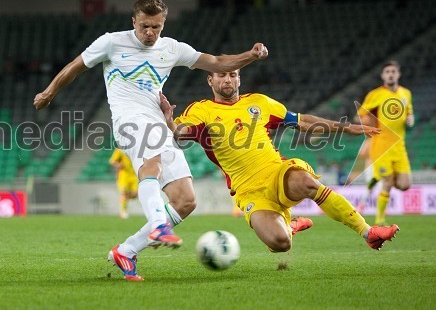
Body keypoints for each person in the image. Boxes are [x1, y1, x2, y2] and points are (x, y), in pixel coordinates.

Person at [33, 0, 268, 281]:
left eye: (156, 27)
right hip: (128, 120)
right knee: (152, 162)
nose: (150, 33)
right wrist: (49, 92)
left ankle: (127, 250)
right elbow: (76, 66)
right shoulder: (111, 42)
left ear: (163, 24)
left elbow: (217, 62)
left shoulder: (172, 49)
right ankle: (158, 223)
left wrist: (250, 56)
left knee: (185, 200)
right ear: (134, 21)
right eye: (144, 26)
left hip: (157, 123)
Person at [159, 68, 400, 255]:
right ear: (210, 81)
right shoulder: (201, 110)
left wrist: (346, 128)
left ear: (239, 79)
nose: (228, 80)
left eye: (233, 75)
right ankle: (289, 227)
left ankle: (368, 231)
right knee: (280, 243)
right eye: (221, 75)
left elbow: (302, 121)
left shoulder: (260, 103)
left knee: (306, 183)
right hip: (248, 190)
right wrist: (172, 124)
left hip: (277, 172)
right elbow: (182, 132)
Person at [357, 60, 414, 225]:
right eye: (387, 71)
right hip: (381, 145)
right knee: (388, 183)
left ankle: (377, 176)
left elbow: (409, 113)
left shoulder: (406, 94)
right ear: (383, 75)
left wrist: (410, 119)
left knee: (404, 185)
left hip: (400, 146)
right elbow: (362, 114)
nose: (390, 74)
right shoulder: (375, 94)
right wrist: (369, 123)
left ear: (398, 74)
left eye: (393, 71)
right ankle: (379, 221)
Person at [109, 148, 138, 219]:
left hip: (134, 175)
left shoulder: (136, 148)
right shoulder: (120, 149)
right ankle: (123, 212)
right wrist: (118, 165)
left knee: (135, 195)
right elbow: (112, 161)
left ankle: (123, 198)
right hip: (124, 175)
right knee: (124, 192)